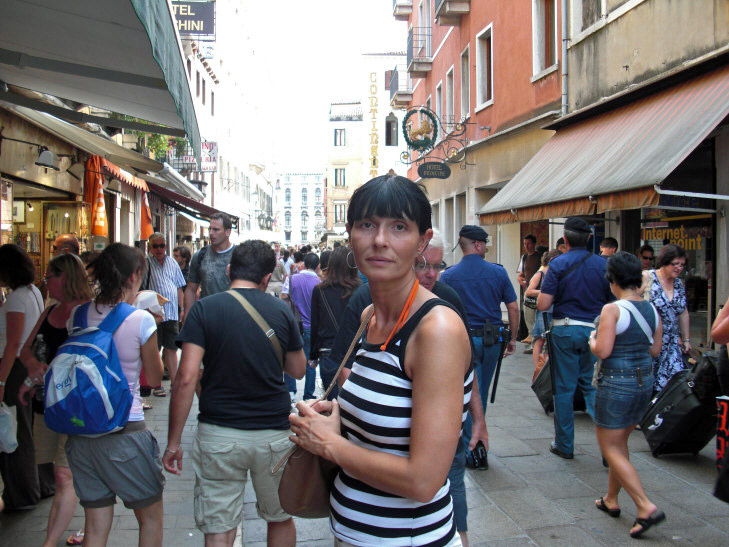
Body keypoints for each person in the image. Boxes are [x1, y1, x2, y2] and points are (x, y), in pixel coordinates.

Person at [289, 174, 471, 546]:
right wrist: (336, 416)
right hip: (351, 533)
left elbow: (424, 480)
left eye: (399, 227)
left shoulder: (436, 329)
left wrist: (329, 444)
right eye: (367, 225)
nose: (380, 240)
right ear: (350, 235)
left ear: (422, 241)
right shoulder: (369, 317)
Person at [164, 240, 306, 546]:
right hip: (273, 433)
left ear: (229, 271)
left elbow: (185, 378)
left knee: (219, 526)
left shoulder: (204, 309)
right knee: (280, 517)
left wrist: (173, 443)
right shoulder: (280, 311)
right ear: (266, 278)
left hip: (219, 433)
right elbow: (298, 370)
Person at [62, 243, 164, 546]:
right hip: (125, 430)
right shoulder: (141, 320)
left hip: (82, 434)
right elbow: (154, 378)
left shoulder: (77, 316)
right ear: (134, 276)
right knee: (150, 519)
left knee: (94, 526)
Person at [412, 229, 488, 546]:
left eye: (437, 265)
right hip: (399, 436)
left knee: (454, 482)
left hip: (447, 428)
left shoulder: (448, 298)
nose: (431, 274)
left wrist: (479, 419)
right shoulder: (372, 301)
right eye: (422, 265)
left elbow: (467, 367)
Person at [589, 252, 665, 538]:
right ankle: (611, 499)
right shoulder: (652, 309)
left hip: (616, 383)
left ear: (613, 280)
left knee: (609, 447)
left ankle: (645, 506)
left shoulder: (613, 309)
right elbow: (655, 350)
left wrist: (592, 339)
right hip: (644, 382)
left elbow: (603, 350)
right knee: (619, 443)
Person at [18, 254, 92, 547]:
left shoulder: (88, 312)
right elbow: (25, 349)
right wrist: (32, 368)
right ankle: (92, 519)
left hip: (75, 407)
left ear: (66, 278)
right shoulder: (49, 311)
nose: (45, 281)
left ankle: (49, 541)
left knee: (64, 474)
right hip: (47, 404)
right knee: (57, 470)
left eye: (50, 276)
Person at [440, 225, 518, 469]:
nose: (486, 247)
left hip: (463, 339)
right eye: (484, 243)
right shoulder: (498, 272)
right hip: (492, 338)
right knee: (480, 391)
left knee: (467, 391)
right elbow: (513, 307)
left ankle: (471, 446)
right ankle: (477, 446)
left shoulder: (449, 275)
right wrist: (513, 338)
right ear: (477, 244)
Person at [537, 217, 613, 459]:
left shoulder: (558, 264)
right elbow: (612, 302)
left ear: (565, 239)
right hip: (594, 330)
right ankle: (609, 449)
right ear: (589, 238)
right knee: (592, 387)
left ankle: (564, 444)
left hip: (565, 329)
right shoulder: (603, 265)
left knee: (564, 389)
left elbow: (543, 303)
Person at [0, 244, 44, 510]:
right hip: (25, 366)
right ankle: (30, 488)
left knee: (14, 430)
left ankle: (22, 492)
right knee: (24, 427)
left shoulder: (17, 298)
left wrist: (1, 380)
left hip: (15, 368)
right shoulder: (33, 292)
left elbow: (13, 343)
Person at [310, 246, 360, 401]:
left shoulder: (320, 290)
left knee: (333, 404)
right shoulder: (360, 290)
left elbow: (315, 325)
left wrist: (313, 355)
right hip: (355, 354)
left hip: (328, 352)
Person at [643, 244, 691, 392]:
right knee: (647, 384)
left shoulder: (679, 283)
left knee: (672, 386)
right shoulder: (647, 277)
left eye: (682, 265)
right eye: (675, 264)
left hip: (671, 343)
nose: (679, 268)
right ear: (665, 261)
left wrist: (686, 339)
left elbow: (683, 312)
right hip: (650, 341)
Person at [144, 233, 186, 391]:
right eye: (155, 246)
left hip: (171, 313)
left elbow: (179, 288)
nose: (159, 249)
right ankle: (156, 384)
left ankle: (175, 383)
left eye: (162, 245)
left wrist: (182, 309)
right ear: (150, 247)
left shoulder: (172, 263)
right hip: (154, 315)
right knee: (154, 349)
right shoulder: (146, 263)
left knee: (171, 349)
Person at [183, 213, 234, 320]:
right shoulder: (200, 255)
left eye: (216, 230)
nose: (211, 233)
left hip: (233, 317)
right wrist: (187, 317)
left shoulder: (239, 255)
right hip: (207, 317)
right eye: (210, 229)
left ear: (228, 232)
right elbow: (191, 289)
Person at [289, 253, 321, 401]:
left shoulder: (292, 278)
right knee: (310, 361)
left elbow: (284, 296)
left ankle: (290, 391)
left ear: (304, 264)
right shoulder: (319, 282)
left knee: (289, 357)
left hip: (294, 324)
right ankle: (308, 394)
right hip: (311, 327)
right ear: (318, 266)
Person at [525, 249, 562, 379]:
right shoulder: (541, 273)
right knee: (540, 339)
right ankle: (538, 368)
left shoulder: (556, 273)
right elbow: (529, 291)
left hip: (554, 309)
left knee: (548, 339)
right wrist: (545, 292)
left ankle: (546, 366)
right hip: (544, 311)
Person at [517, 234, 540, 348]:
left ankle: (535, 338)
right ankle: (531, 335)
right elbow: (522, 273)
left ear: (534, 244)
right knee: (528, 314)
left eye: (529, 243)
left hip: (537, 290)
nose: (526, 246)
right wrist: (520, 279)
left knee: (536, 314)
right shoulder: (525, 257)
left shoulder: (539, 257)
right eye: (525, 244)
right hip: (528, 290)